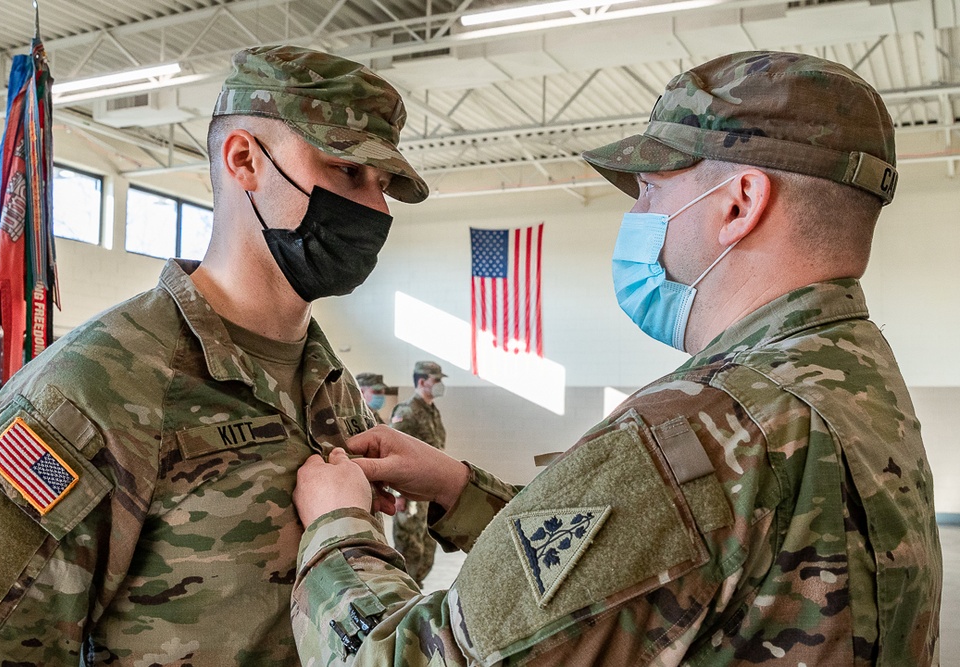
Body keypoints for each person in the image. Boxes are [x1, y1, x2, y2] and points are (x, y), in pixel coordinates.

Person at [288, 51, 942, 665]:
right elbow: (655, 560)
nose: (637, 211)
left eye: (652, 188)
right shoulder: (855, 376)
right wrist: (462, 488)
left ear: (739, 204)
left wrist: (337, 526)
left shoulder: (699, 425)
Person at [0, 44, 427, 664]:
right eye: (347, 171)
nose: (375, 208)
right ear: (244, 160)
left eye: (385, 182)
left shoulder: (328, 386)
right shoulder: (87, 391)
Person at [389, 360, 447, 586]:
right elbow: (393, 453)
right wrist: (397, 494)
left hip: (431, 492)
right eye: (437, 380)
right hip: (410, 492)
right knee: (409, 545)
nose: (440, 385)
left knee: (427, 545)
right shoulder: (406, 411)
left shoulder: (433, 412)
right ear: (422, 381)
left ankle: (416, 585)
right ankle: (403, 590)